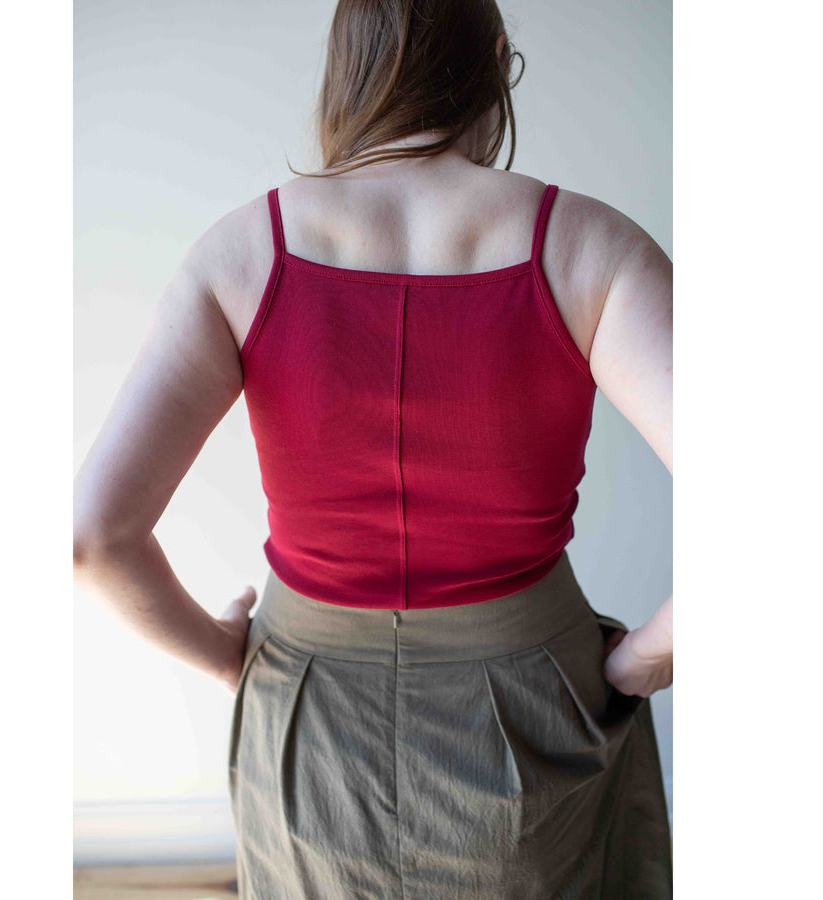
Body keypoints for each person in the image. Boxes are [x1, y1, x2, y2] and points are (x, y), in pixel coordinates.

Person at [73, 0, 673, 896]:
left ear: (346, 72)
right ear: (495, 61)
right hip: (537, 714)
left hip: (305, 715)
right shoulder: (590, 247)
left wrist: (225, 655)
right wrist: (642, 661)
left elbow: (92, 538)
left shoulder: (241, 254)